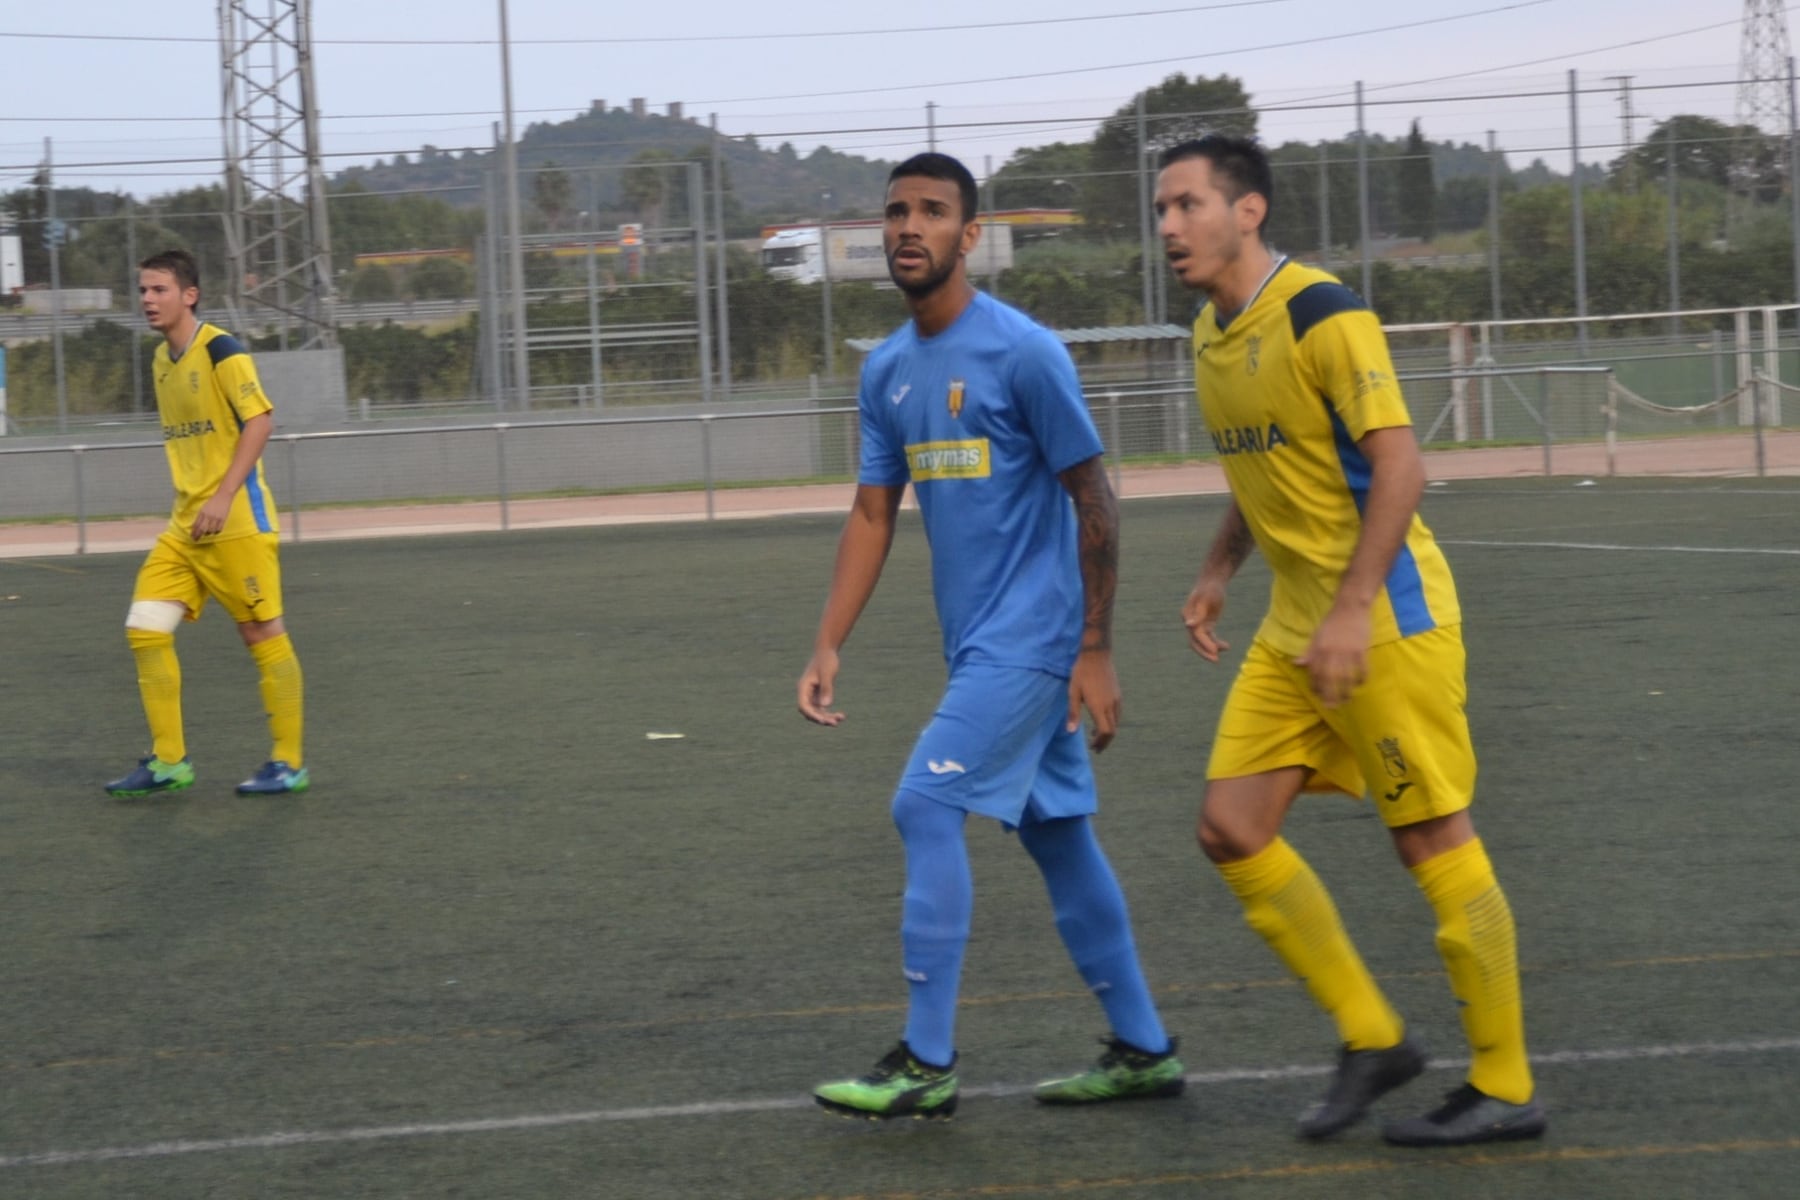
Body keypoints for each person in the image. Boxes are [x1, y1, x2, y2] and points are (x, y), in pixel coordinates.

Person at [1154, 135, 1545, 1147]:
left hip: (1384, 619)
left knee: (1430, 839)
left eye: (1188, 204)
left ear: (1249, 212)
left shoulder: (1326, 312)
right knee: (1231, 827)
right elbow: (1269, 470)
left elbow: (1400, 468)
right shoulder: (1207, 332)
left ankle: (1505, 1087)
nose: (1167, 226)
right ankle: (1374, 1039)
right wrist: (1214, 572)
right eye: (1161, 210)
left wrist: (1349, 608)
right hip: (1296, 625)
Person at [797, 152, 1181, 1121]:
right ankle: (1143, 1046)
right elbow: (874, 514)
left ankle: (926, 1065)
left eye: (931, 212)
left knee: (923, 807)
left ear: (970, 236)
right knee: (1058, 838)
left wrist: (1093, 648)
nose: (907, 228)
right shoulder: (886, 370)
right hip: (978, 646)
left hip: (1036, 642)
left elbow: (1095, 498)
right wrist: (827, 641)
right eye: (894, 213)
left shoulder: (1023, 352)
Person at [105, 249, 309, 798]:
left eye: (158, 290)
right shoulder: (160, 361)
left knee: (260, 634)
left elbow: (260, 421)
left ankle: (288, 763)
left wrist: (222, 496)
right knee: (145, 628)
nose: (147, 299)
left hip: (236, 521)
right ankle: (170, 762)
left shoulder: (222, 350)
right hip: (184, 527)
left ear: (189, 295)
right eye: (143, 290)